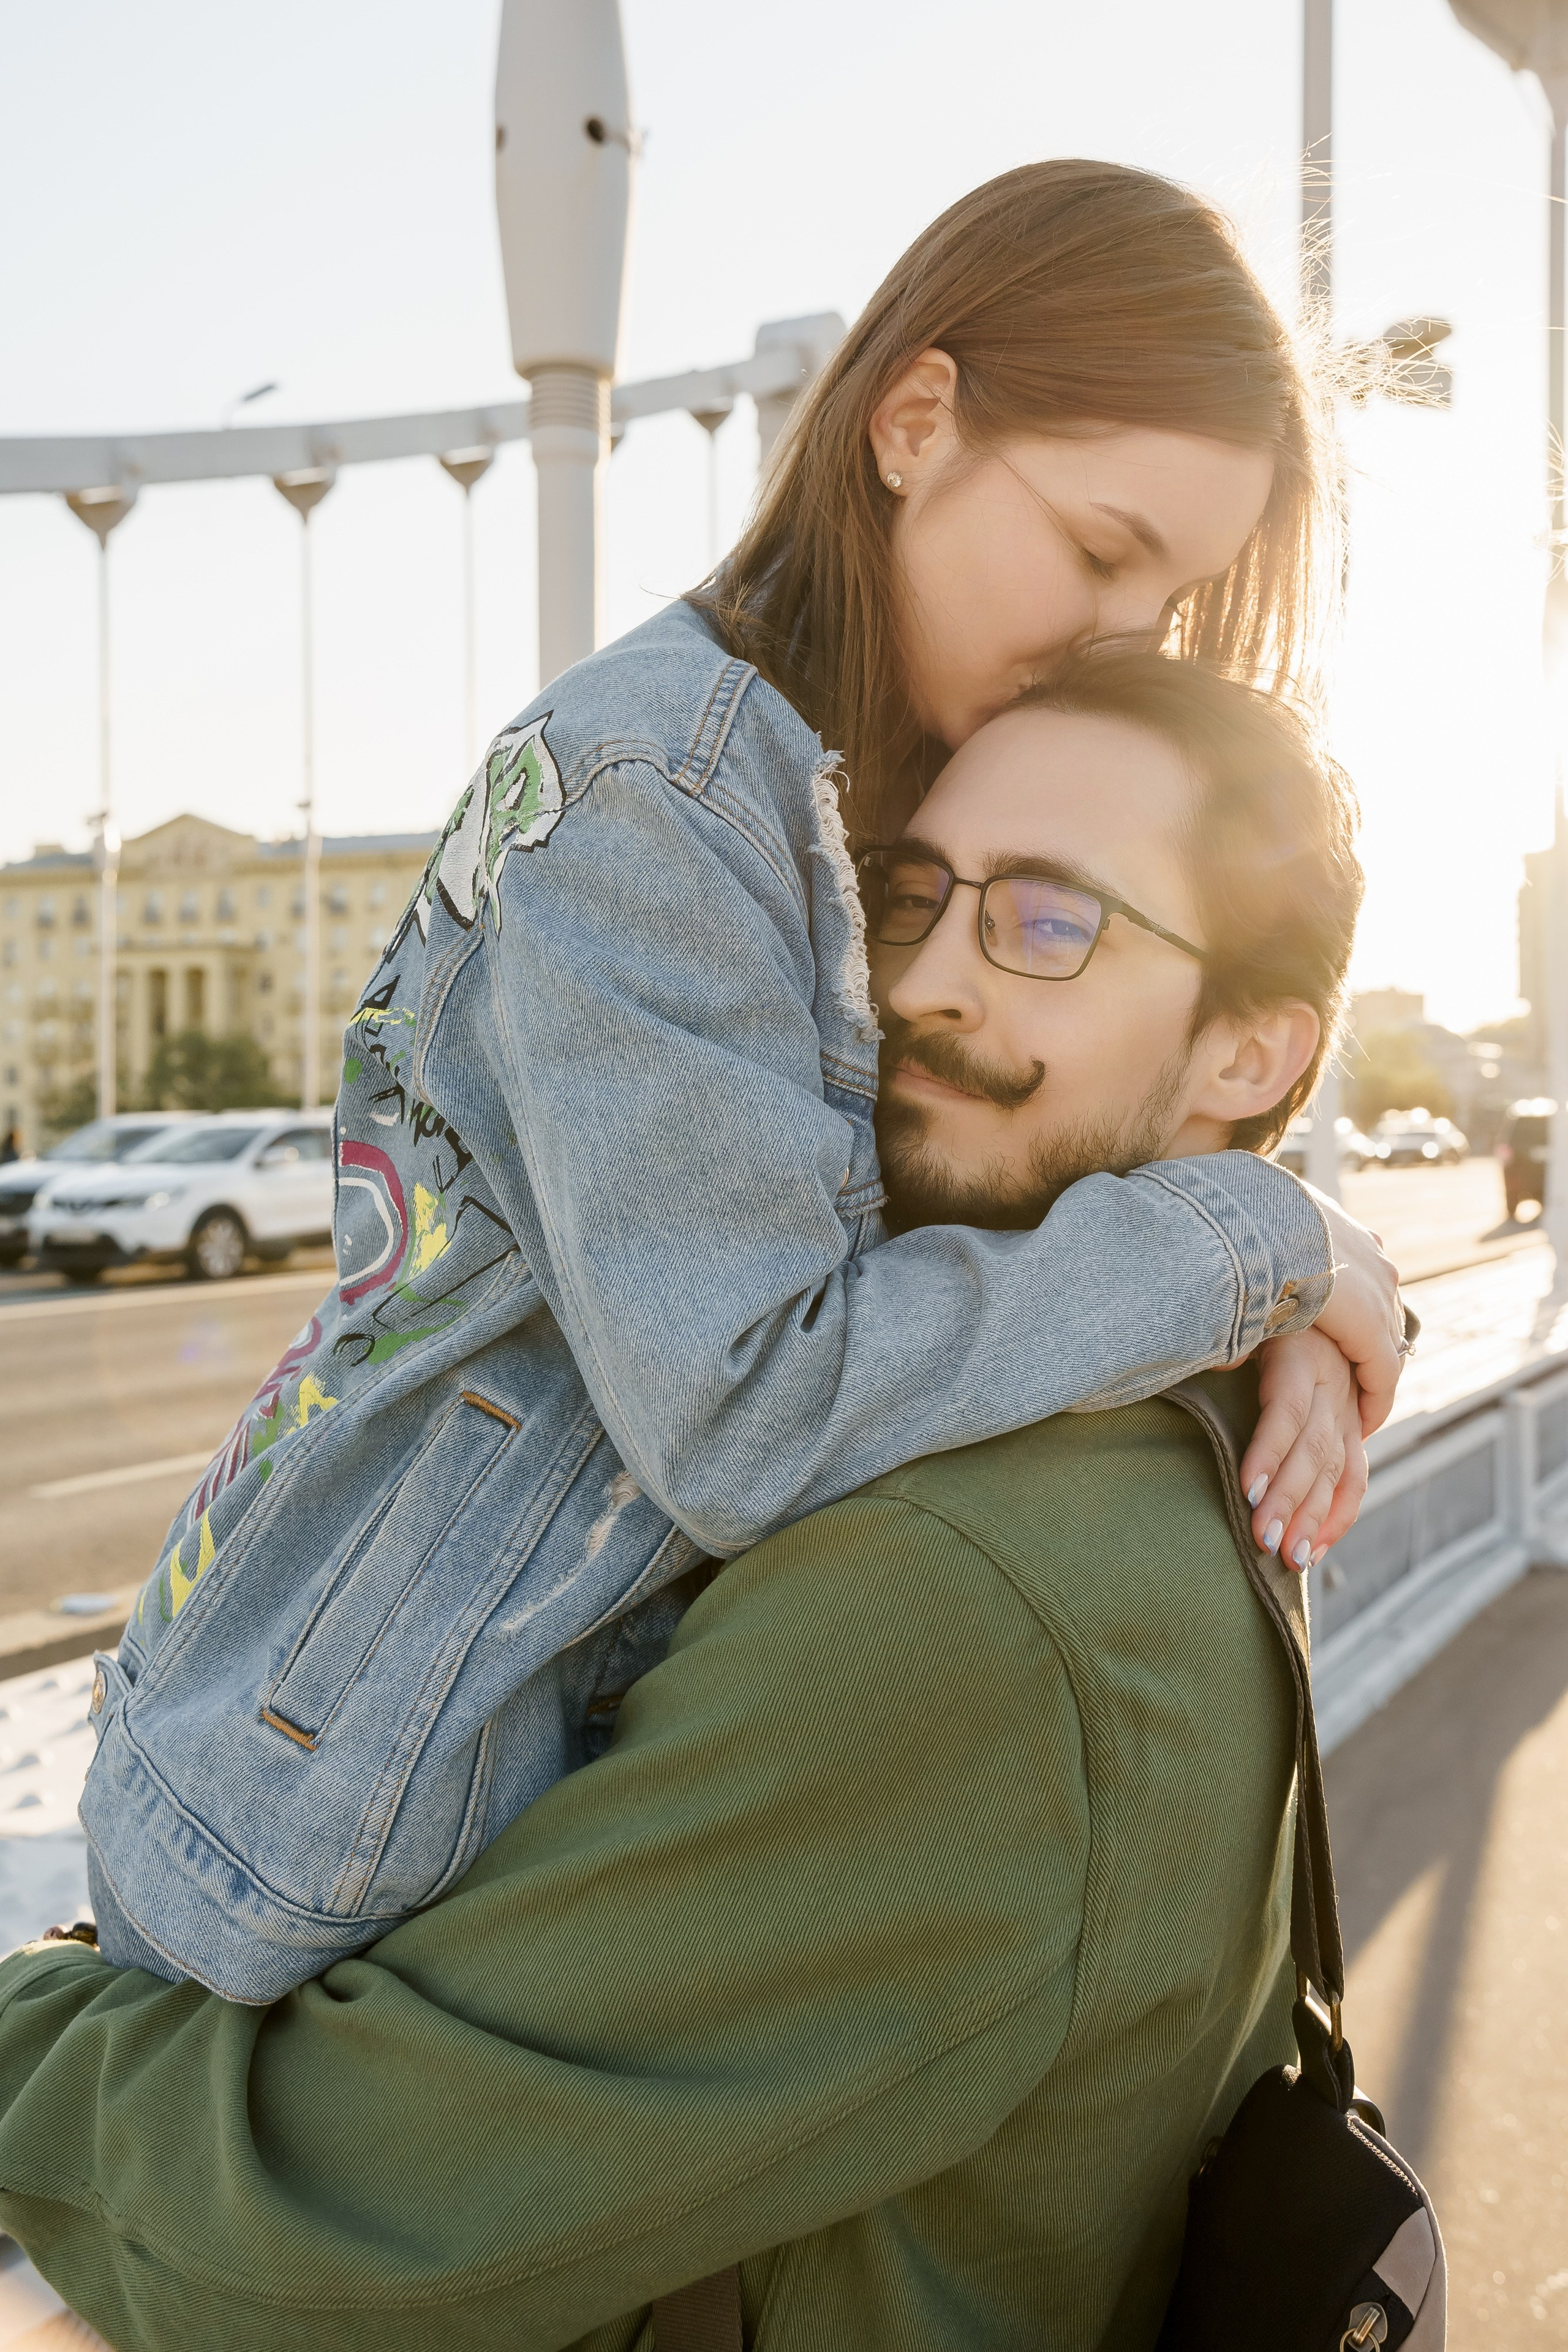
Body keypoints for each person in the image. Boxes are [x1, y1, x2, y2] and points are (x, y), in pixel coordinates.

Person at [78, 159, 1402, 2003]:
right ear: (917, 421)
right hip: (313, 1820)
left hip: (402, 1743)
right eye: (1104, 554)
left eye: (1170, 600)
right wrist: (1250, 1240)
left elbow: (967, 1206)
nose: (1122, 643)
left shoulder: (832, 792)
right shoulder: (661, 796)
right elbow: (754, 1404)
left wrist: (1272, 1298)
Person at [0, 649, 1362, 2350]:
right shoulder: (1187, 1408)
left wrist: (33, 2025)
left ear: (1252, 1049)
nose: (925, 980)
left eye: (1050, 922)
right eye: (909, 895)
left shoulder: (955, 1590)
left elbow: (315, 2219)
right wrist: (1307, 1259)